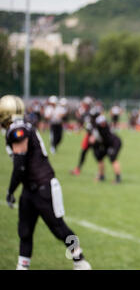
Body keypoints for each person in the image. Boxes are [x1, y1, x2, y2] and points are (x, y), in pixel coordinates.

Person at [0, 95, 91, 270]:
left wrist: (10, 190)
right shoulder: (21, 125)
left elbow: (20, 165)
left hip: (43, 187)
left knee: (59, 229)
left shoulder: (18, 129)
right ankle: (22, 267)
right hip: (30, 188)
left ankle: (80, 260)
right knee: (24, 231)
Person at [91, 113, 122, 183]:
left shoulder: (104, 129)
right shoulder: (99, 128)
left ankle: (118, 178)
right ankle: (101, 176)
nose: (103, 123)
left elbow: (96, 139)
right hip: (107, 145)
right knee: (99, 157)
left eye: (104, 122)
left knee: (113, 159)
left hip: (114, 144)